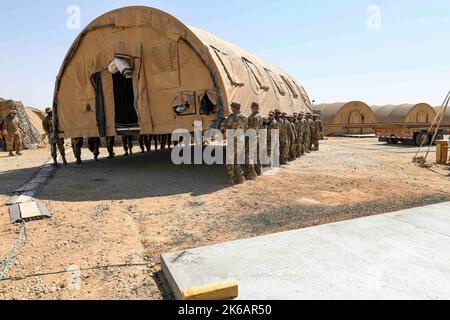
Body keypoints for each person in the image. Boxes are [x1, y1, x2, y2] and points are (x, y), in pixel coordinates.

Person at [221, 101, 248, 184]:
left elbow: (226, 126)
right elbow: (246, 127)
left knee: (230, 159)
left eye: (232, 107)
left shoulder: (231, 116)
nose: (231, 108)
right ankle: (240, 177)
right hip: (241, 138)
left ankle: (231, 178)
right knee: (237, 158)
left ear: (234, 107)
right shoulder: (244, 116)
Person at [246, 102, 264, 179]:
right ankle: (258, 170)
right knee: (257, 154)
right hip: (258, 136)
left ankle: (252, 173)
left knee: (248, 155)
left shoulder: (251, 117)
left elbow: (247, 127)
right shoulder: (260, 117)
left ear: (253, 107)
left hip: (251, 137)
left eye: (251, 107)